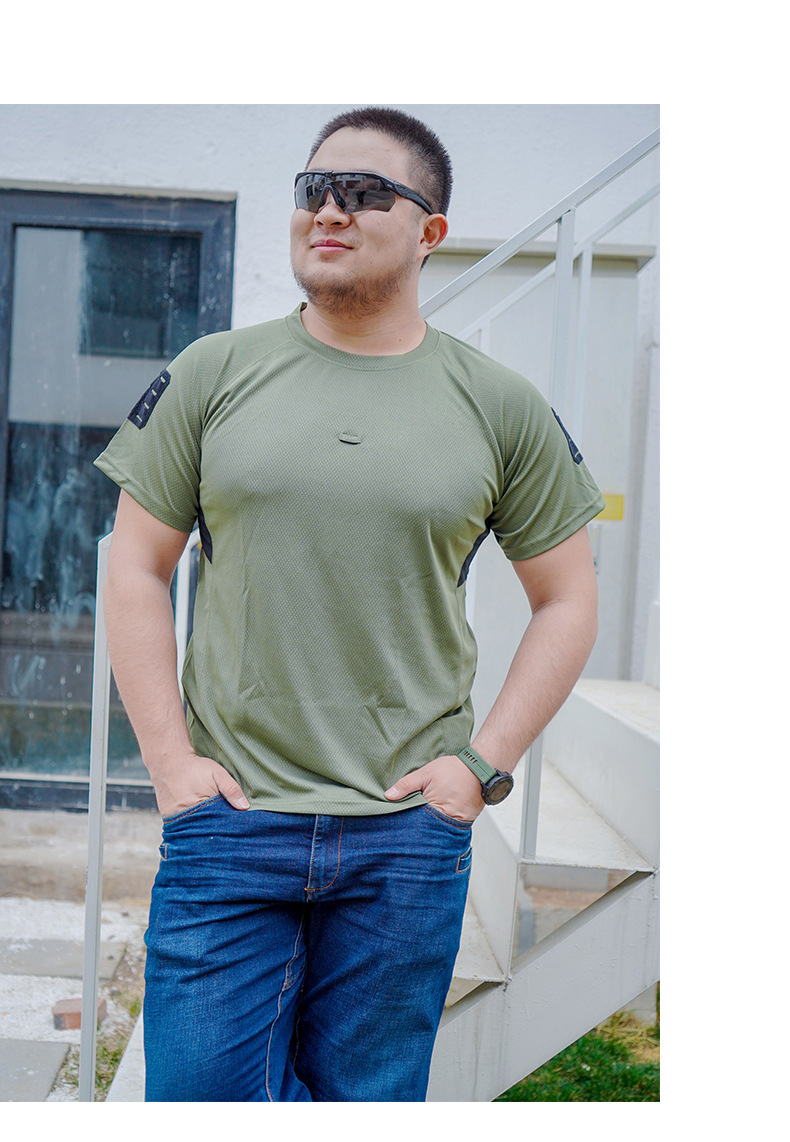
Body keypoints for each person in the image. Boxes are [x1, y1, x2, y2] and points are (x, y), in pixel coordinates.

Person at [95, 106, 604, 1103]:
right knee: (196, 1099)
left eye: (365, 192)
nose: (328, 209)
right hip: (231, 818)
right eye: (313, 189)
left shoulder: (498, 403)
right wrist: (168, 762)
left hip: (404, 833)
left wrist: (478, 768)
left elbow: (568, 597)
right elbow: (136, 567)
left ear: (429, 231)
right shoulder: (211, 373)